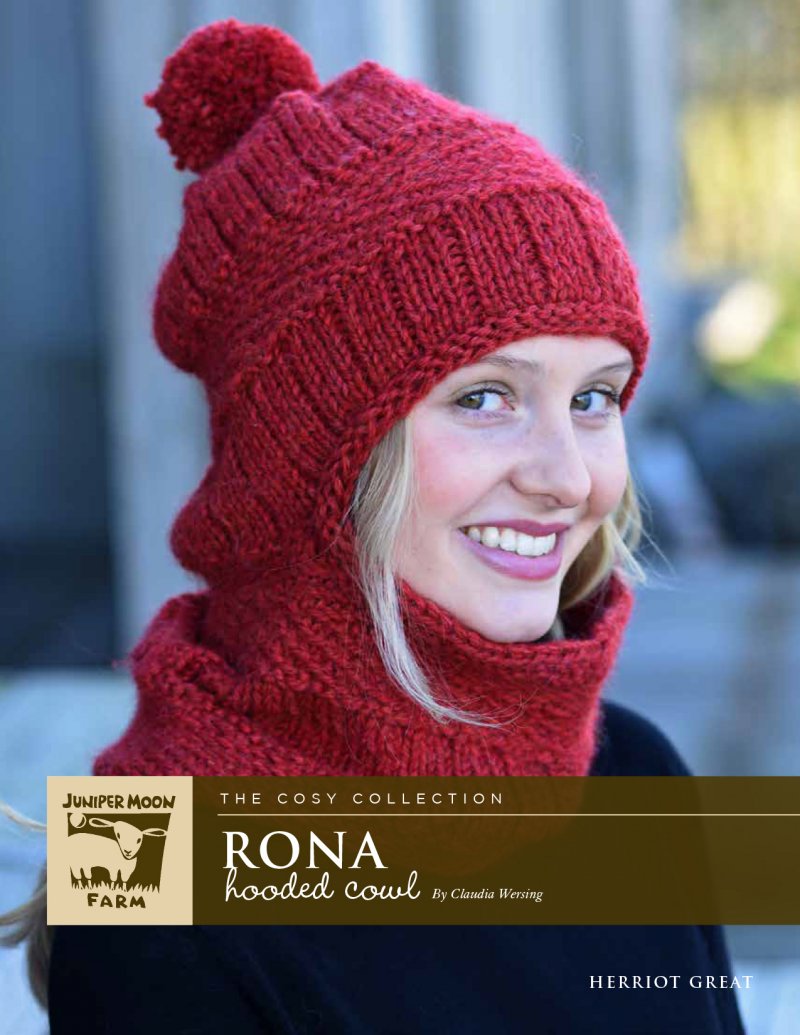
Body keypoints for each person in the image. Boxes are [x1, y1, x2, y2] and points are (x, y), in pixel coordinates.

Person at [2, 19, 745, 1033]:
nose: (567, 477)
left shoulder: (632, 773)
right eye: (484, 397)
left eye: (594, 398)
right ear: (307, 456)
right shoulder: (147, 878)